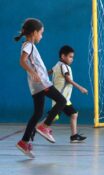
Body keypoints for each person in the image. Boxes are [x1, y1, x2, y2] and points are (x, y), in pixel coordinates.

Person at [15, 18, 66, 158]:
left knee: (37, 114)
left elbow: (32, 63)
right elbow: (22, 61)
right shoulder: (29, 45)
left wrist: (43, 72)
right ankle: (45, 126)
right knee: (61, 101)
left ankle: (24, 142)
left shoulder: (29, 45)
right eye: (41, 33)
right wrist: (33, 73)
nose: (41, 36)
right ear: (34, 32)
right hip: (41, 83)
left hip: (36, 85)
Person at [48, 45, 88, 143]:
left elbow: (50, 71)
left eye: (72, 57)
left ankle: (74, 136)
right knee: (54, 117)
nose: (72, 59)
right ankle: (38, 128)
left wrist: (41, 75)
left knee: (74, 114)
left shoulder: (57, 64)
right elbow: (68, 79)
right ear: (63, 56)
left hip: (65, 99)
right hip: (60, 98)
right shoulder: (64, 66)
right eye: (70, 57)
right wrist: (80, 88)